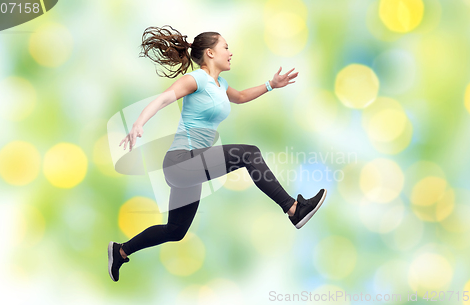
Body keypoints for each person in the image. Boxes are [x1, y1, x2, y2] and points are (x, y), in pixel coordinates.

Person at [108, 25, 327, 282]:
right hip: (181, 162)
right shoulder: (197, 79)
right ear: (210, 53)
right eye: (226, 47)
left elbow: (242, 96)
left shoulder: (219, 84)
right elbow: (165, 99)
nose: (230, 53)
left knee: (176, 230)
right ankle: (293, 208)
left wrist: (271, 85)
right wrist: (138, 123)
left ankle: (120, 251)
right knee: (249, 154)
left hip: (193, 168)